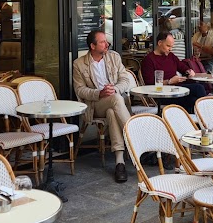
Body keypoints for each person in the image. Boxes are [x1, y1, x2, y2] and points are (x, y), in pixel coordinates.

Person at [72, 30, 135, 183]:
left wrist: (115, 89)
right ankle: (135, 137)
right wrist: (99, 93)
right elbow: (79, 90)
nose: (107, 44)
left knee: (112, 112)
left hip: (115, 101)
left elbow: (124, 79)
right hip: (95, 104)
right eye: (102, 42)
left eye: (106, 41)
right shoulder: (79, 64)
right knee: (113, 100)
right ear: (92, 46)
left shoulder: (114, 57)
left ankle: (119, 163)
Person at [141, 31, 205, 112]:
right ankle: (206, 118)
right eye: (168, 46)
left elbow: (182, 67)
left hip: (177, 90)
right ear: (160, 43)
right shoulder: (149, 60)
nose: (170, 49)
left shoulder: (171, 56)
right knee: (198, 89)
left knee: (195, 97)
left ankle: (198, 120)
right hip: (163, 94)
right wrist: (169, 81)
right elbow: (149, 83)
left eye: (171, 46)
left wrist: (188, 70)